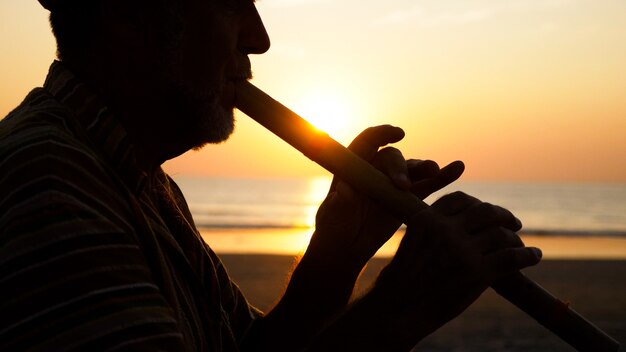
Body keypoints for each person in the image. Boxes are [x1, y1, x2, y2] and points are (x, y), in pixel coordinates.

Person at [0, 0, 542, 351]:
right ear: (129, 15)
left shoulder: (133, 178)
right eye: (232, 5)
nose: (257, 39)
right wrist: (398, 310)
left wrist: (332, 261)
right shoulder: (46, 184)